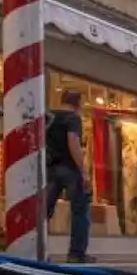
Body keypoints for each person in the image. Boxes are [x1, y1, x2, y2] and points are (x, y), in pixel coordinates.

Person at [45, 90, 91, 263]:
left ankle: (38, 248)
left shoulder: (49, 117)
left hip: (50, 169)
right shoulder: (73, 119)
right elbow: (73, 142)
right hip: (70, 169)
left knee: (44, 211)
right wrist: (84, 171)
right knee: (80, 210)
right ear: (78, 103)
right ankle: (76, 254)